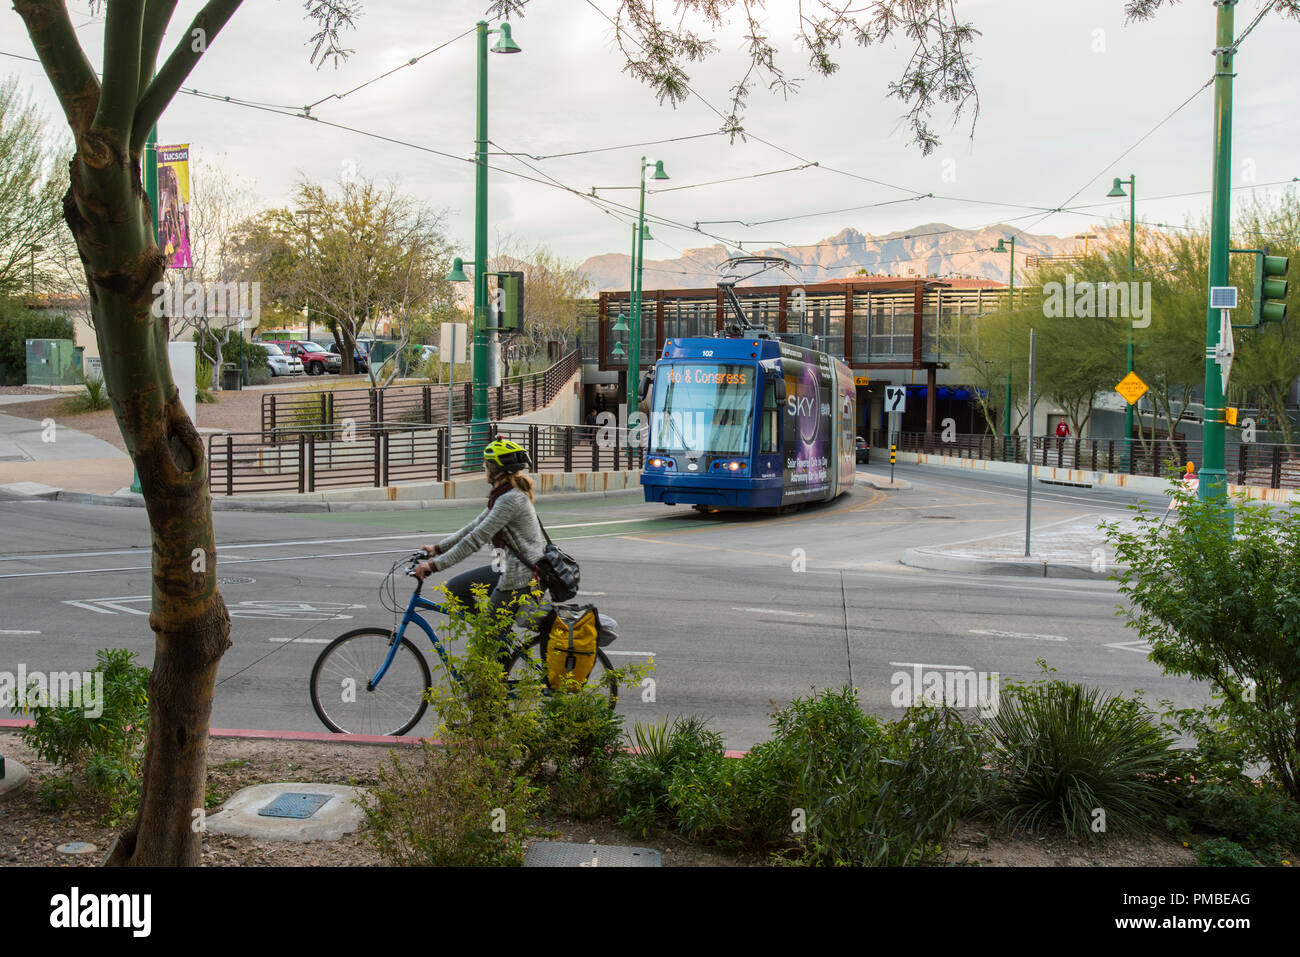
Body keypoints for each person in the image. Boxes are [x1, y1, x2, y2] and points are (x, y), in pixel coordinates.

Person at [413, 437, 548, 647]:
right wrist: (437, 548)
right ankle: (497, 638)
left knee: (484, 643)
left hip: (519, 577)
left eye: (486, 465)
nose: (484, 468)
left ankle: (492, 643)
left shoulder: (510, 500)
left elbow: (475, 539)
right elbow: (474, 526)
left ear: (495, 468)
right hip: (507, 568)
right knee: (456, 588)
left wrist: (433, 565)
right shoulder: (504, 496)